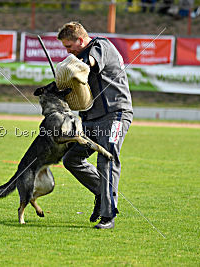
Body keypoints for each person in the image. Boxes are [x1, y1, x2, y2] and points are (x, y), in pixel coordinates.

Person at [57, 22, 133, 229]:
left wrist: (68, 68)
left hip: (114, 114)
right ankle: (101, 192)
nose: (68, 51)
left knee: (107, 159)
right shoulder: (78, 56)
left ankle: (108, 216)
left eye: (69, 46)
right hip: (90, 119)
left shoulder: (101, 47)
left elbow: (88, 63)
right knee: (72, 158)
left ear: (81, 40)